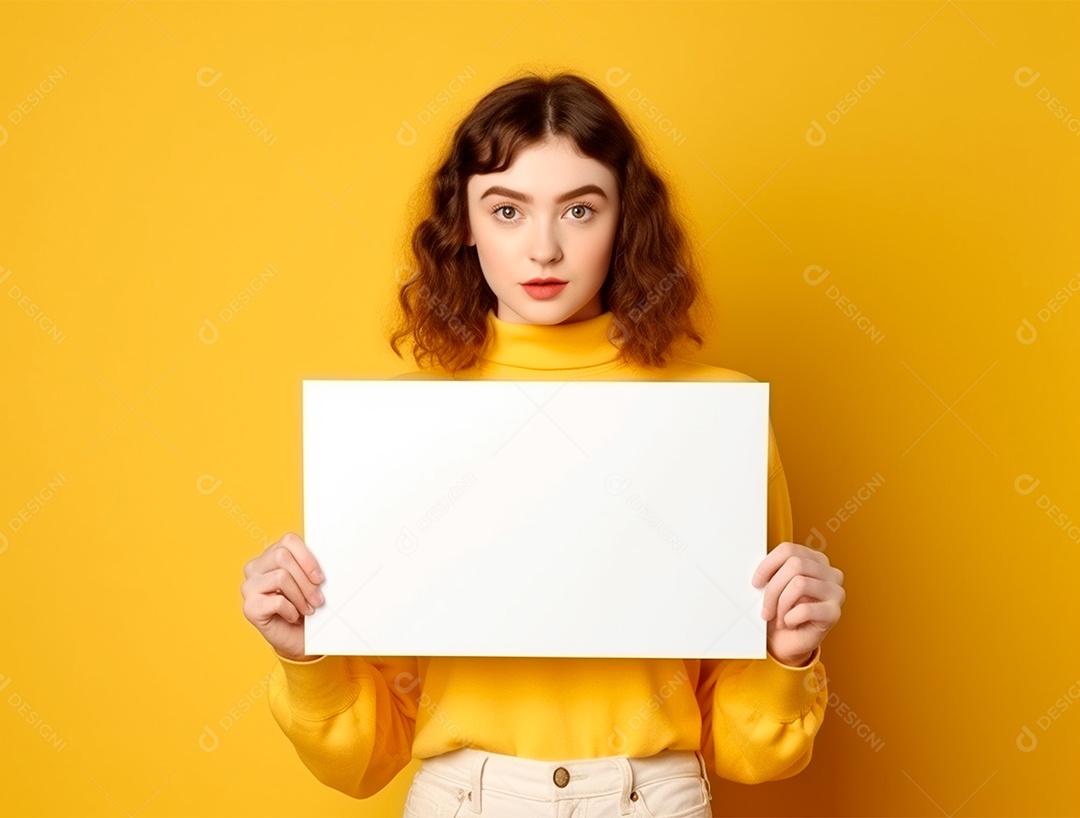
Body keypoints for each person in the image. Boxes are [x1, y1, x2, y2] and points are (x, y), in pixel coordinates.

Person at [241, 71, 845, 818]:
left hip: (652, 796)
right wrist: (307, 650)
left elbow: (751, 749)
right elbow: (368, 757)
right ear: (463, 222)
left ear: (626, 220)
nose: (545, 249)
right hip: (464, 797)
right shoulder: (398, 431)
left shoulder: (714, 413)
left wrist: (790, 652)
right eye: (508, 209)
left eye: (580, 210)